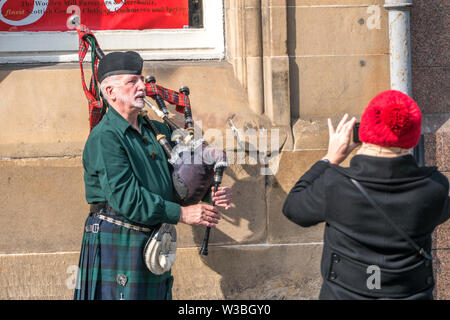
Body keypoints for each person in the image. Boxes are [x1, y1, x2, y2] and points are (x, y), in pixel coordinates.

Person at [74, 51, 232, 300]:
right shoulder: (106, 137)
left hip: (152, 238)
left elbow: (178, 182)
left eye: (140, 80)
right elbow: (127, 198)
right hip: (118, 238)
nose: (142, 87)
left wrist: (208, 195)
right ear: (111, 92)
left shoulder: (155, 130)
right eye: (132, 82)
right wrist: (182, 213)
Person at [282, 90, 449, 300]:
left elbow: (293, 208)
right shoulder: (434, 188)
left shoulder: (336, 185)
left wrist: (329, 159)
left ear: (365, 131)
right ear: (413, 136)